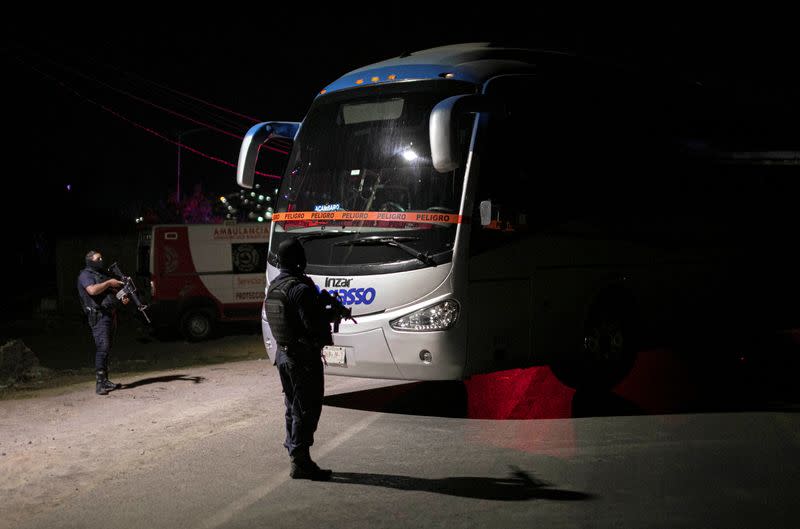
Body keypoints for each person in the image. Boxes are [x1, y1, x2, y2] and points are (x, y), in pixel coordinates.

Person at [265, 238, 337, 481]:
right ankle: (300, 459)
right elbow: (313, 326)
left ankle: (295, 453)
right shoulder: (300, 289)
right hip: (302, 359)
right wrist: (330, 316)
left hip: (283, 356)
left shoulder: (275, 286)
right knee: (306, 408)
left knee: (292, 406)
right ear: (299, 260)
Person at [77, 250, 129, 395]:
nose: (101, 260)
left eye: (101, 258)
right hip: (98, 316)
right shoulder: (85, 275)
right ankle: (100, 384)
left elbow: (112, 291)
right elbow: (93, 291)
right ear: (90, 261)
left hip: (109, 314)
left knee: (106, 347)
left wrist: (122, 296)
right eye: (98, 258)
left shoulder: (101, 274)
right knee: (103, 347)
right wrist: (109, 283)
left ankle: (105, 380)